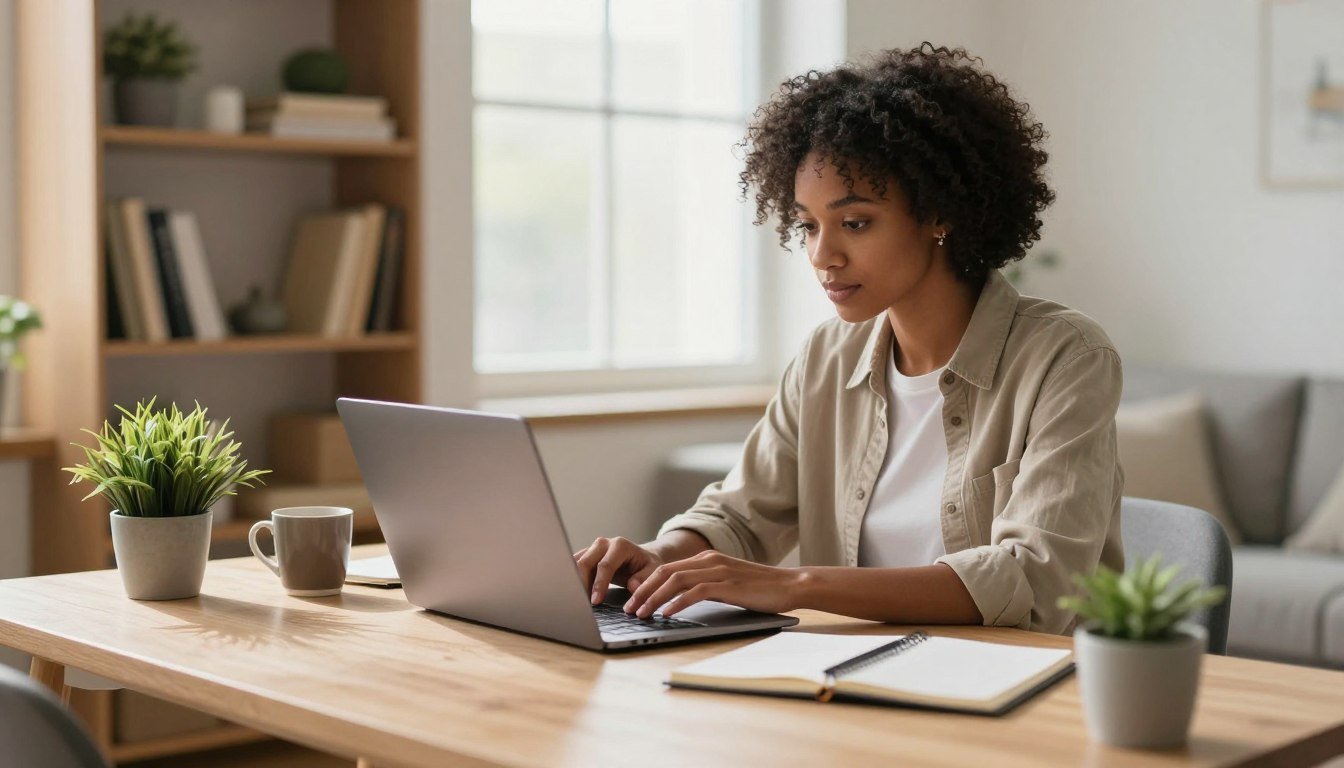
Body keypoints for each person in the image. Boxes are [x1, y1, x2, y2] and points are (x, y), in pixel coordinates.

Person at [573, 43, 1124, 635]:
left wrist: (792, 584)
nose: (822, 255)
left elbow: (1033, 577)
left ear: (940, 213)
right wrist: (662, 554)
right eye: (808, 226)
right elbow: (739, 514)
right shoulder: (826, 357)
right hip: (852, 677)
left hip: (1019, 685)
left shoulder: (1066, 357)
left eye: (855, 223)